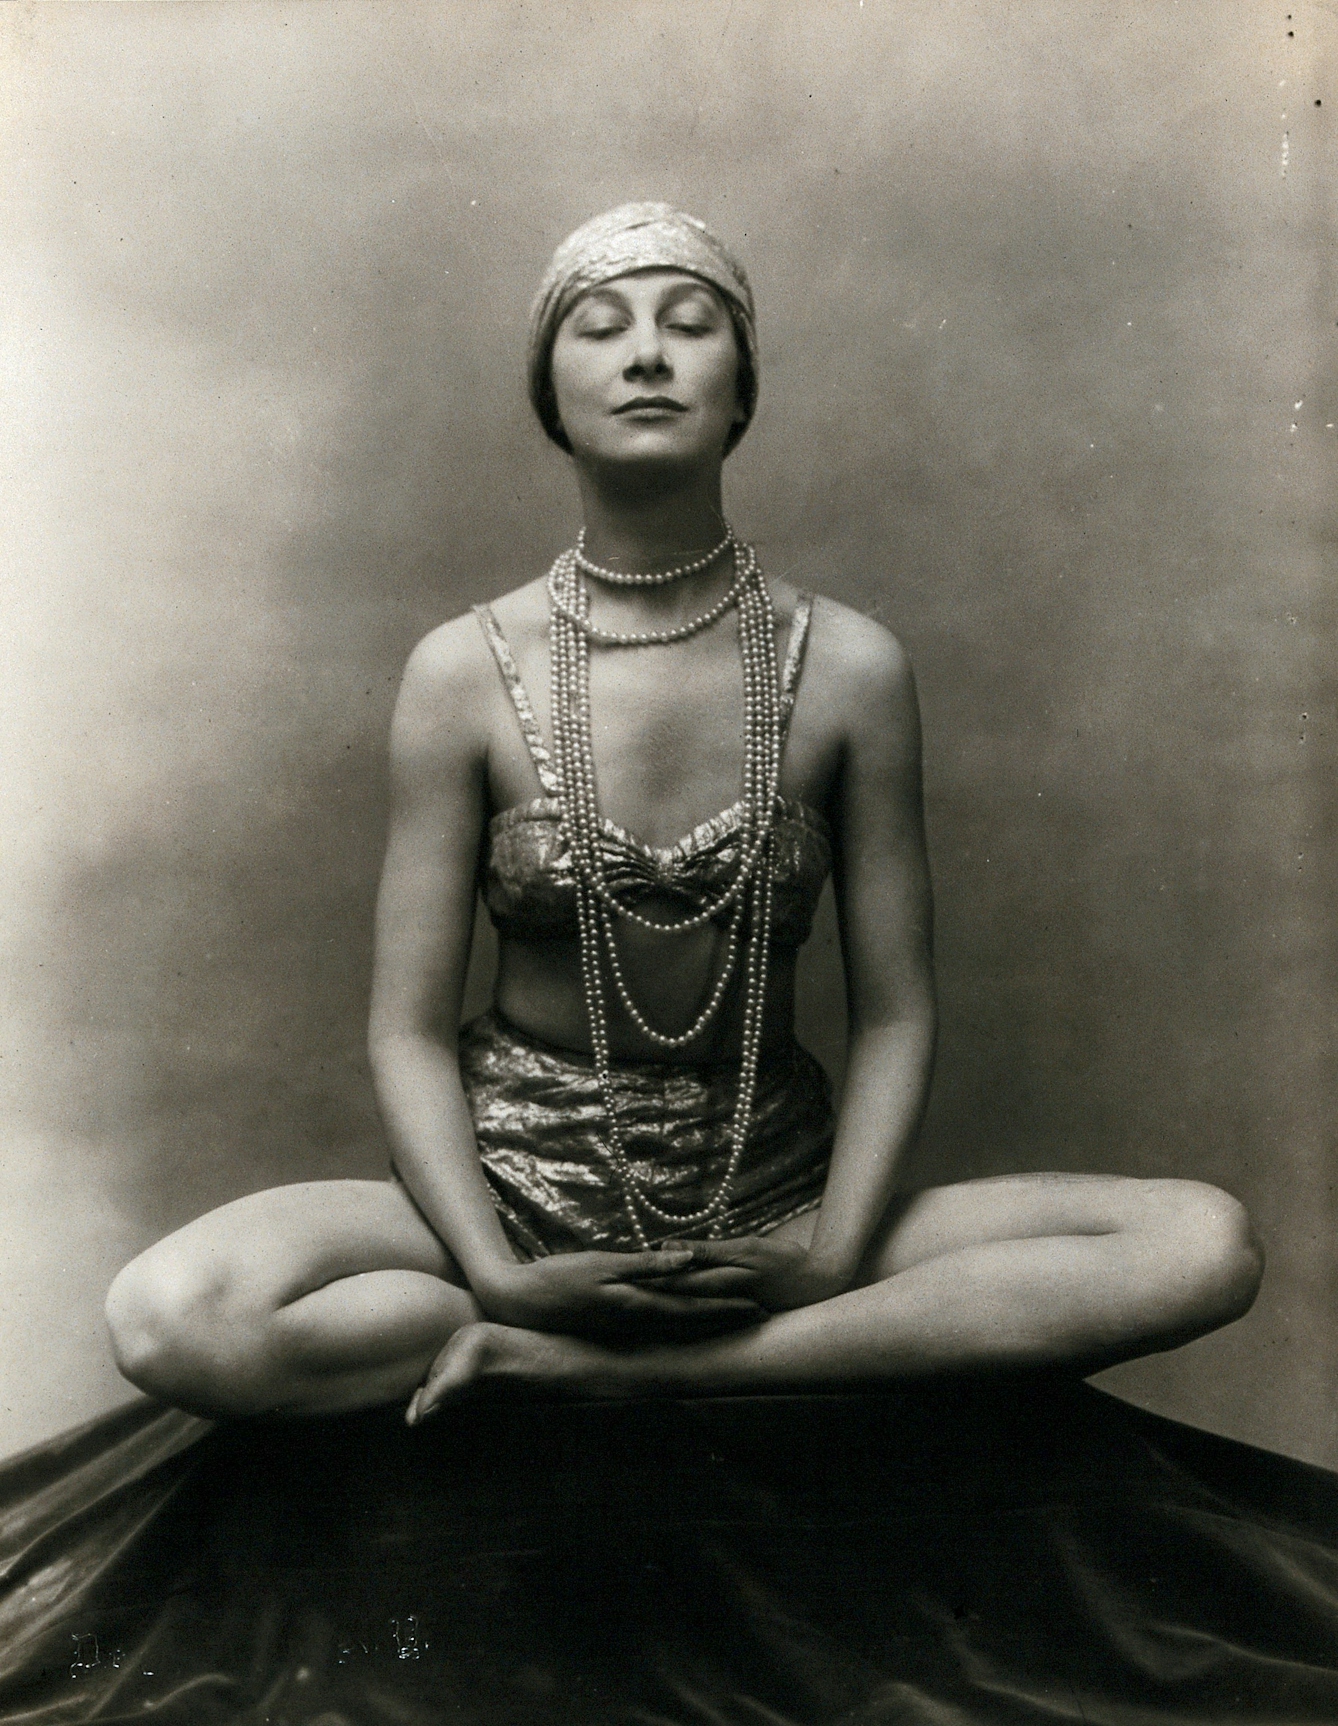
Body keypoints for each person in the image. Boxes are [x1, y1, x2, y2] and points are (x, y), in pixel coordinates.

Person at [103, 203, 1262, 1427]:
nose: (647, 353)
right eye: (601, 329)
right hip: (509, 1193)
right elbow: (404, 1028)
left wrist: (829, 1252)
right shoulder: (462, 668)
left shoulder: (851, 665)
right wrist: (501, 1269)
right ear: (552, 393)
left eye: (689, 324)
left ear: (740, 388)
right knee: (174, 1313)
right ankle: (525, 1324)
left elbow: (900, 1013)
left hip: (779, 1198)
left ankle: (644, 1373)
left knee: (1203, 1242)